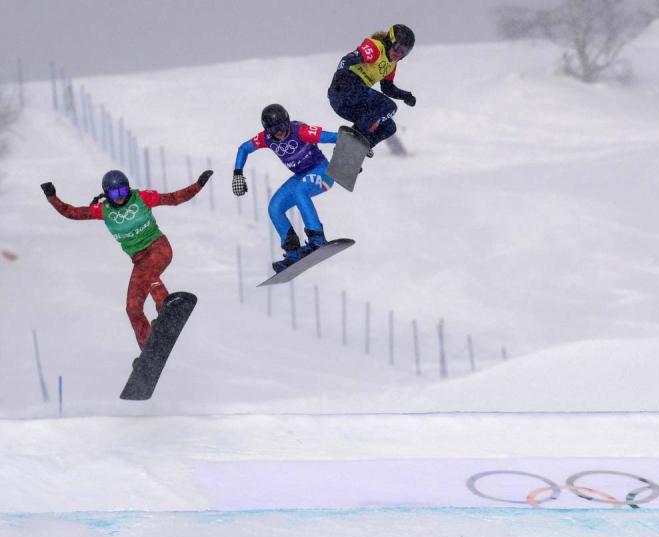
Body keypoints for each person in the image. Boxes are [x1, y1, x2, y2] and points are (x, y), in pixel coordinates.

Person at [41, 169, 213, 350]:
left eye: (123, 191)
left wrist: (198, 185)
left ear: (128, 189)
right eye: (115, 193)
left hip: (158, 248)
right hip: (139, 260)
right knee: (133, 308)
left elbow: (174, 198)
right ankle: (149, 349)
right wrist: (52, 197)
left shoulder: (142, 198)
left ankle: (165, 308)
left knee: (149, 272)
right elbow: (72, 212)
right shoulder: (103, 210)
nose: (120, 197)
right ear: (107, 194)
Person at [231, 103, 339, 273]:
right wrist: (238, 173)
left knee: (299, 191)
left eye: (282, 126)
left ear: (288, 122)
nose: (279, 132)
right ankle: (293, 251)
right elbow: (243, 149)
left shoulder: (301, 131)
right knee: (275, 207)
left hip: (324, 174)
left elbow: (335, 137)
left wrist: (355, 151)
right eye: (274, 130)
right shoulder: (265, 138)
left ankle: (317, 239)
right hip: (301, 177)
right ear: (267, 131)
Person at [328, 24, 416, 150]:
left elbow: (387, 88)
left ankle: (358, 150)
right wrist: (342, 76)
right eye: (397, 47)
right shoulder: (376, 48)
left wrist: (405, 95)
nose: (398, 54)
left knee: (389, 127)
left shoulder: (391, 65)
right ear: (390, 41)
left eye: (404, 52)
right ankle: (352, 137)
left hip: (350, 104)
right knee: (389, 107)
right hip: (344, 90)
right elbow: (347, 60)